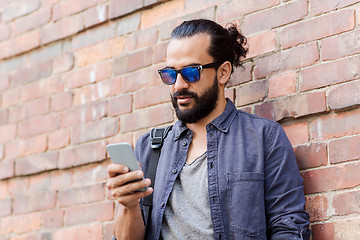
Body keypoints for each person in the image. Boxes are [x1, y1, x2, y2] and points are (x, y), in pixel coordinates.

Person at [107, 19, 311, 240]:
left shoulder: (264, 138)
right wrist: (127, 205)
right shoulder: (150, 147)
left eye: (191, 73)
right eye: (171, 74)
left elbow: (290, 229)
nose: (178, 85)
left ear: (223, 72)